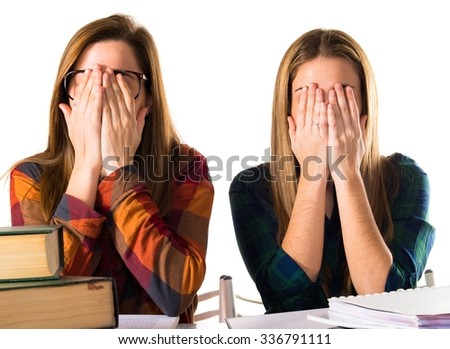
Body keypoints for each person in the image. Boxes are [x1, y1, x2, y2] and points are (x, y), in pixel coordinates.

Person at [9, 14, 214, 323]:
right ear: (67, 96)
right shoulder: (30, 177)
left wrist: (117, 169)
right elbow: (40, 303)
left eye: (120, 79)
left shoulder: (186, 166)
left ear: (148, 99)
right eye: (88, 80)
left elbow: (177, 291)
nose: (102, 93)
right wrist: (87, 166)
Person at [229, 28, 435, 314]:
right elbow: (286, 302)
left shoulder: (406, 178)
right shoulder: (252, 187)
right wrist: (313, 173)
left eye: (342, 95)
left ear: (364, 106)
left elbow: (387, 300)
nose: (324, 110)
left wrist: (347, 171)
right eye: (308, 95)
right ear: (286, 108)